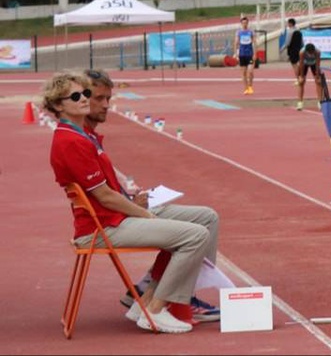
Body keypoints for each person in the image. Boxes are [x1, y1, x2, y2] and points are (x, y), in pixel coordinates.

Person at [45, 71, 215, 334]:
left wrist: (132, 202)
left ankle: (148, 302)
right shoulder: (70, 141)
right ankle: (157, 309)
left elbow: (106, 192)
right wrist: (144, 214)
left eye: (85, 94)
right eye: (76, 96)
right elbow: (102, 196)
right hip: (103, 228)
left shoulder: (82, 134)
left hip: (112, 218)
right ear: (58, 105)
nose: (85, 100)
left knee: (206, 218)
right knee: (195, 236)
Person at [284, 18, 304, 107]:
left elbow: (287, 43)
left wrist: (282, 49)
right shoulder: (299, 31)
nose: (287, 24)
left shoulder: (289, 31)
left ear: (290, 24)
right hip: (299, 49)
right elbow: (302, 41)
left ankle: (298, 78)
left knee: (294, 65)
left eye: (288, 23)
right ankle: (299, 77)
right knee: (298, 63)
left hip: (292, 50)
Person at [233, 15, 255, 95]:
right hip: (242, 54)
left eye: (246, 23)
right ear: (241, 24)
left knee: (250, 71)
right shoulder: (239, 32)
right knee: (244, 72)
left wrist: (255, 54)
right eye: (243, 23)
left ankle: (250, 86)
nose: (244, 24)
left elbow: (254, 43)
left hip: (250, 54)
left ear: (248, 23)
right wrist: (236, 53)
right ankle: (246, 88)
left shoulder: (251, 32)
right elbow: (236, 43)